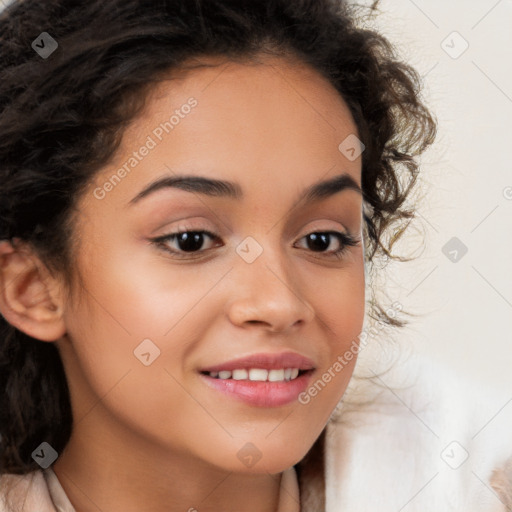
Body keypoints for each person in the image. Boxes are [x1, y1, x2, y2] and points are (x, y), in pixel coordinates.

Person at [0, 0, 510, 511]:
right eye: (191, 240)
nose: (279, 303)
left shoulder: (474, 481)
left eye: (321, 239)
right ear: (32, 288)